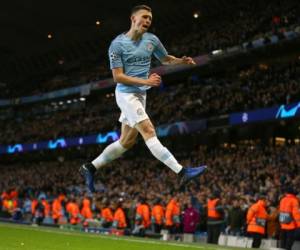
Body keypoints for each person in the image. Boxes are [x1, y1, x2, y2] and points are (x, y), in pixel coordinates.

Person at [79, 4, 207, 193]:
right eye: (144, 17)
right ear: (133, 19)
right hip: (125, 94)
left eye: (150, 19)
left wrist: (181, 60)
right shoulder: (117, 44)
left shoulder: (152, 40)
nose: (147, 21)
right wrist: (145, 80)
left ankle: (89, 167)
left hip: (140, 95)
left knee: (126, 142)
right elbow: (117, 77)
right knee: (148, 130)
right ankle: (182, 172)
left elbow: (164, 59)